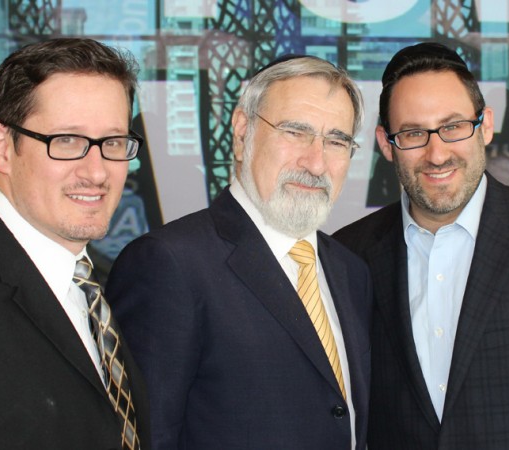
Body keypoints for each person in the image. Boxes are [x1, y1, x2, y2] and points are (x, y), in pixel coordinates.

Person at [333, 41, 509, 449]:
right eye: (414, 133)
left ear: (485, 125)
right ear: (387, 144)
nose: (437, 154)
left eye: (453, 126)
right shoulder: (346, 255)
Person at [106, 55, 372, 450]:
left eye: (336, 141)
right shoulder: (168, 264)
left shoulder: (351, 271)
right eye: (295, 132)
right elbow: (144, 438)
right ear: (242, 131)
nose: (316, 162)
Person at [0, 38, 151, 449]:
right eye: (66, 141)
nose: (97, 172)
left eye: (113, 142)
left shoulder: (97, 287)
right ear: (1, 148)